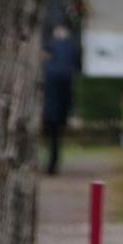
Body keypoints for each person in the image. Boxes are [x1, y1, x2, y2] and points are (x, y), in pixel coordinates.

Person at [42, 25, 80, 176]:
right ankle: (52, 164)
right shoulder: (71, 53)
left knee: (50, 137)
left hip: (48, 107)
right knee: (55, 137)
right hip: (59, 108)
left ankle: (49, 164)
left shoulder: (49, 52)